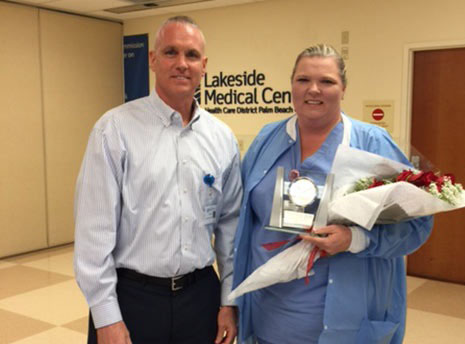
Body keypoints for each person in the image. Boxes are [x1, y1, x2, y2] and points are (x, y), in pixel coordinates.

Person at [231, 44, 433, 344]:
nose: (314, 90)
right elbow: (241, 224)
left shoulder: (371, 143)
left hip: (344, 324)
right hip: (269, 319)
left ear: (344, 89)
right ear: (291, 85)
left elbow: (418, 225)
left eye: (326, 81)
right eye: (303, 80)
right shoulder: (266, 141)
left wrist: (355, 239)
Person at [74, 16, 242, 344]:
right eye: (170, 52)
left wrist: (229, 300)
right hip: (132, 299)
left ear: (204, 65)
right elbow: (94, 232)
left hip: (200, 299)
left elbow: (230, 230)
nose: (182, 64)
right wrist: (105, 315)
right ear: (152, 60)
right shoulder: (114, 130)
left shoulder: (221, 137)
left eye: (191, 55)